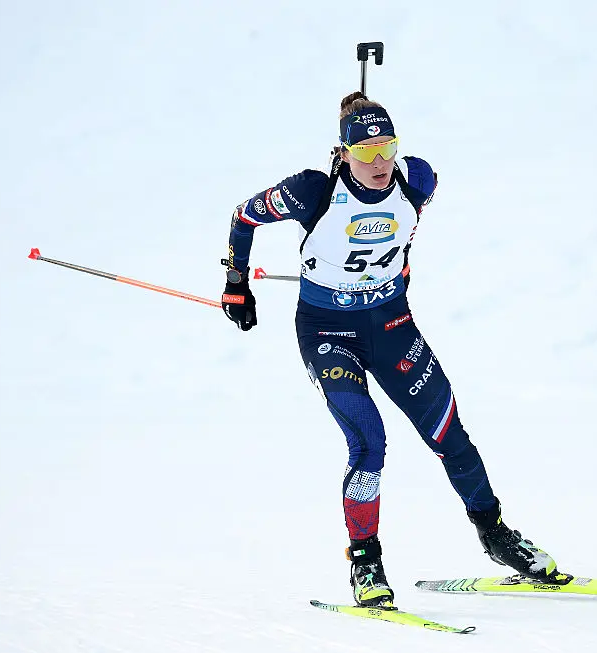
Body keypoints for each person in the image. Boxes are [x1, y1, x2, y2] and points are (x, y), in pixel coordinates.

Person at [221, 91, 563, 608]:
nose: (379, 162)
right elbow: (243, 217)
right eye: (366, 150)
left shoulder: (417, 180)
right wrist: (236, 283)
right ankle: (365, 559)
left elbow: (399, 238)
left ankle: (495, 534)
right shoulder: (310, 191)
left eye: (387, 147)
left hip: (392, 326)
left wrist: (392, 273)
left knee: (449, 433)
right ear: (343, 153)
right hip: (327, 331)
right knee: (369, 443)